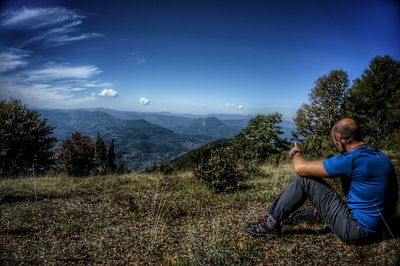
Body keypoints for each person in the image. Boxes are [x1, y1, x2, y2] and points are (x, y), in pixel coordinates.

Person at [245, 118, 398, 245]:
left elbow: (300, 168)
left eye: (335, 142)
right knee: (325, 194)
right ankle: (295, 218)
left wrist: (295, 152)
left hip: (359, 232)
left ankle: (269, 224)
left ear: (340, 141)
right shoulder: (380, 156)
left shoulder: (351, 160)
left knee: (305, 180)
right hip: (384, 228)